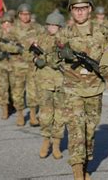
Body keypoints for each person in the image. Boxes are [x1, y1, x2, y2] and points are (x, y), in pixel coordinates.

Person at [55, 0, 108, 179]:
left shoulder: (103, 31)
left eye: (83, 8)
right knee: (76, 130)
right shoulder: (64, 33)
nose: (80, 12)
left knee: (89, 131)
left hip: (95, 89)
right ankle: (78, 171)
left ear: (90, 9)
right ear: (71, 11)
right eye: (76, 9)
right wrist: (62, 54)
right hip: (72, 89)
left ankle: (85, 164)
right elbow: (50, 57)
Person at [32, 11, 66, 159]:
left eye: (55, 25)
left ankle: (57, 145)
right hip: (44, 82)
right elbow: (31, 53)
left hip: (61, 82)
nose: (52, 27)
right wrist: (35, 60)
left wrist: (48, 59)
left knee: (60, 115)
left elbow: (66, 60)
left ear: (60, 26)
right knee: (45, 115)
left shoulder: (65, 40)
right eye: (49, 24)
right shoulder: (41, 38)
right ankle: (46, 141)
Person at [8, 3, 43, 126]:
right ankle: (20, 115)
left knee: (33, 91)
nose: (25, 16)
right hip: (18, 65)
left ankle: (33, 116)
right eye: (23, 14)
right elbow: (3, 45)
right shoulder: (13, 29)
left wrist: (38, 45)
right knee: (18, 92)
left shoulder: (38, 28)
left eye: (27, 14)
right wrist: (18, 48)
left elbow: (45, 41)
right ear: (19, 15)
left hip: (33, 64)